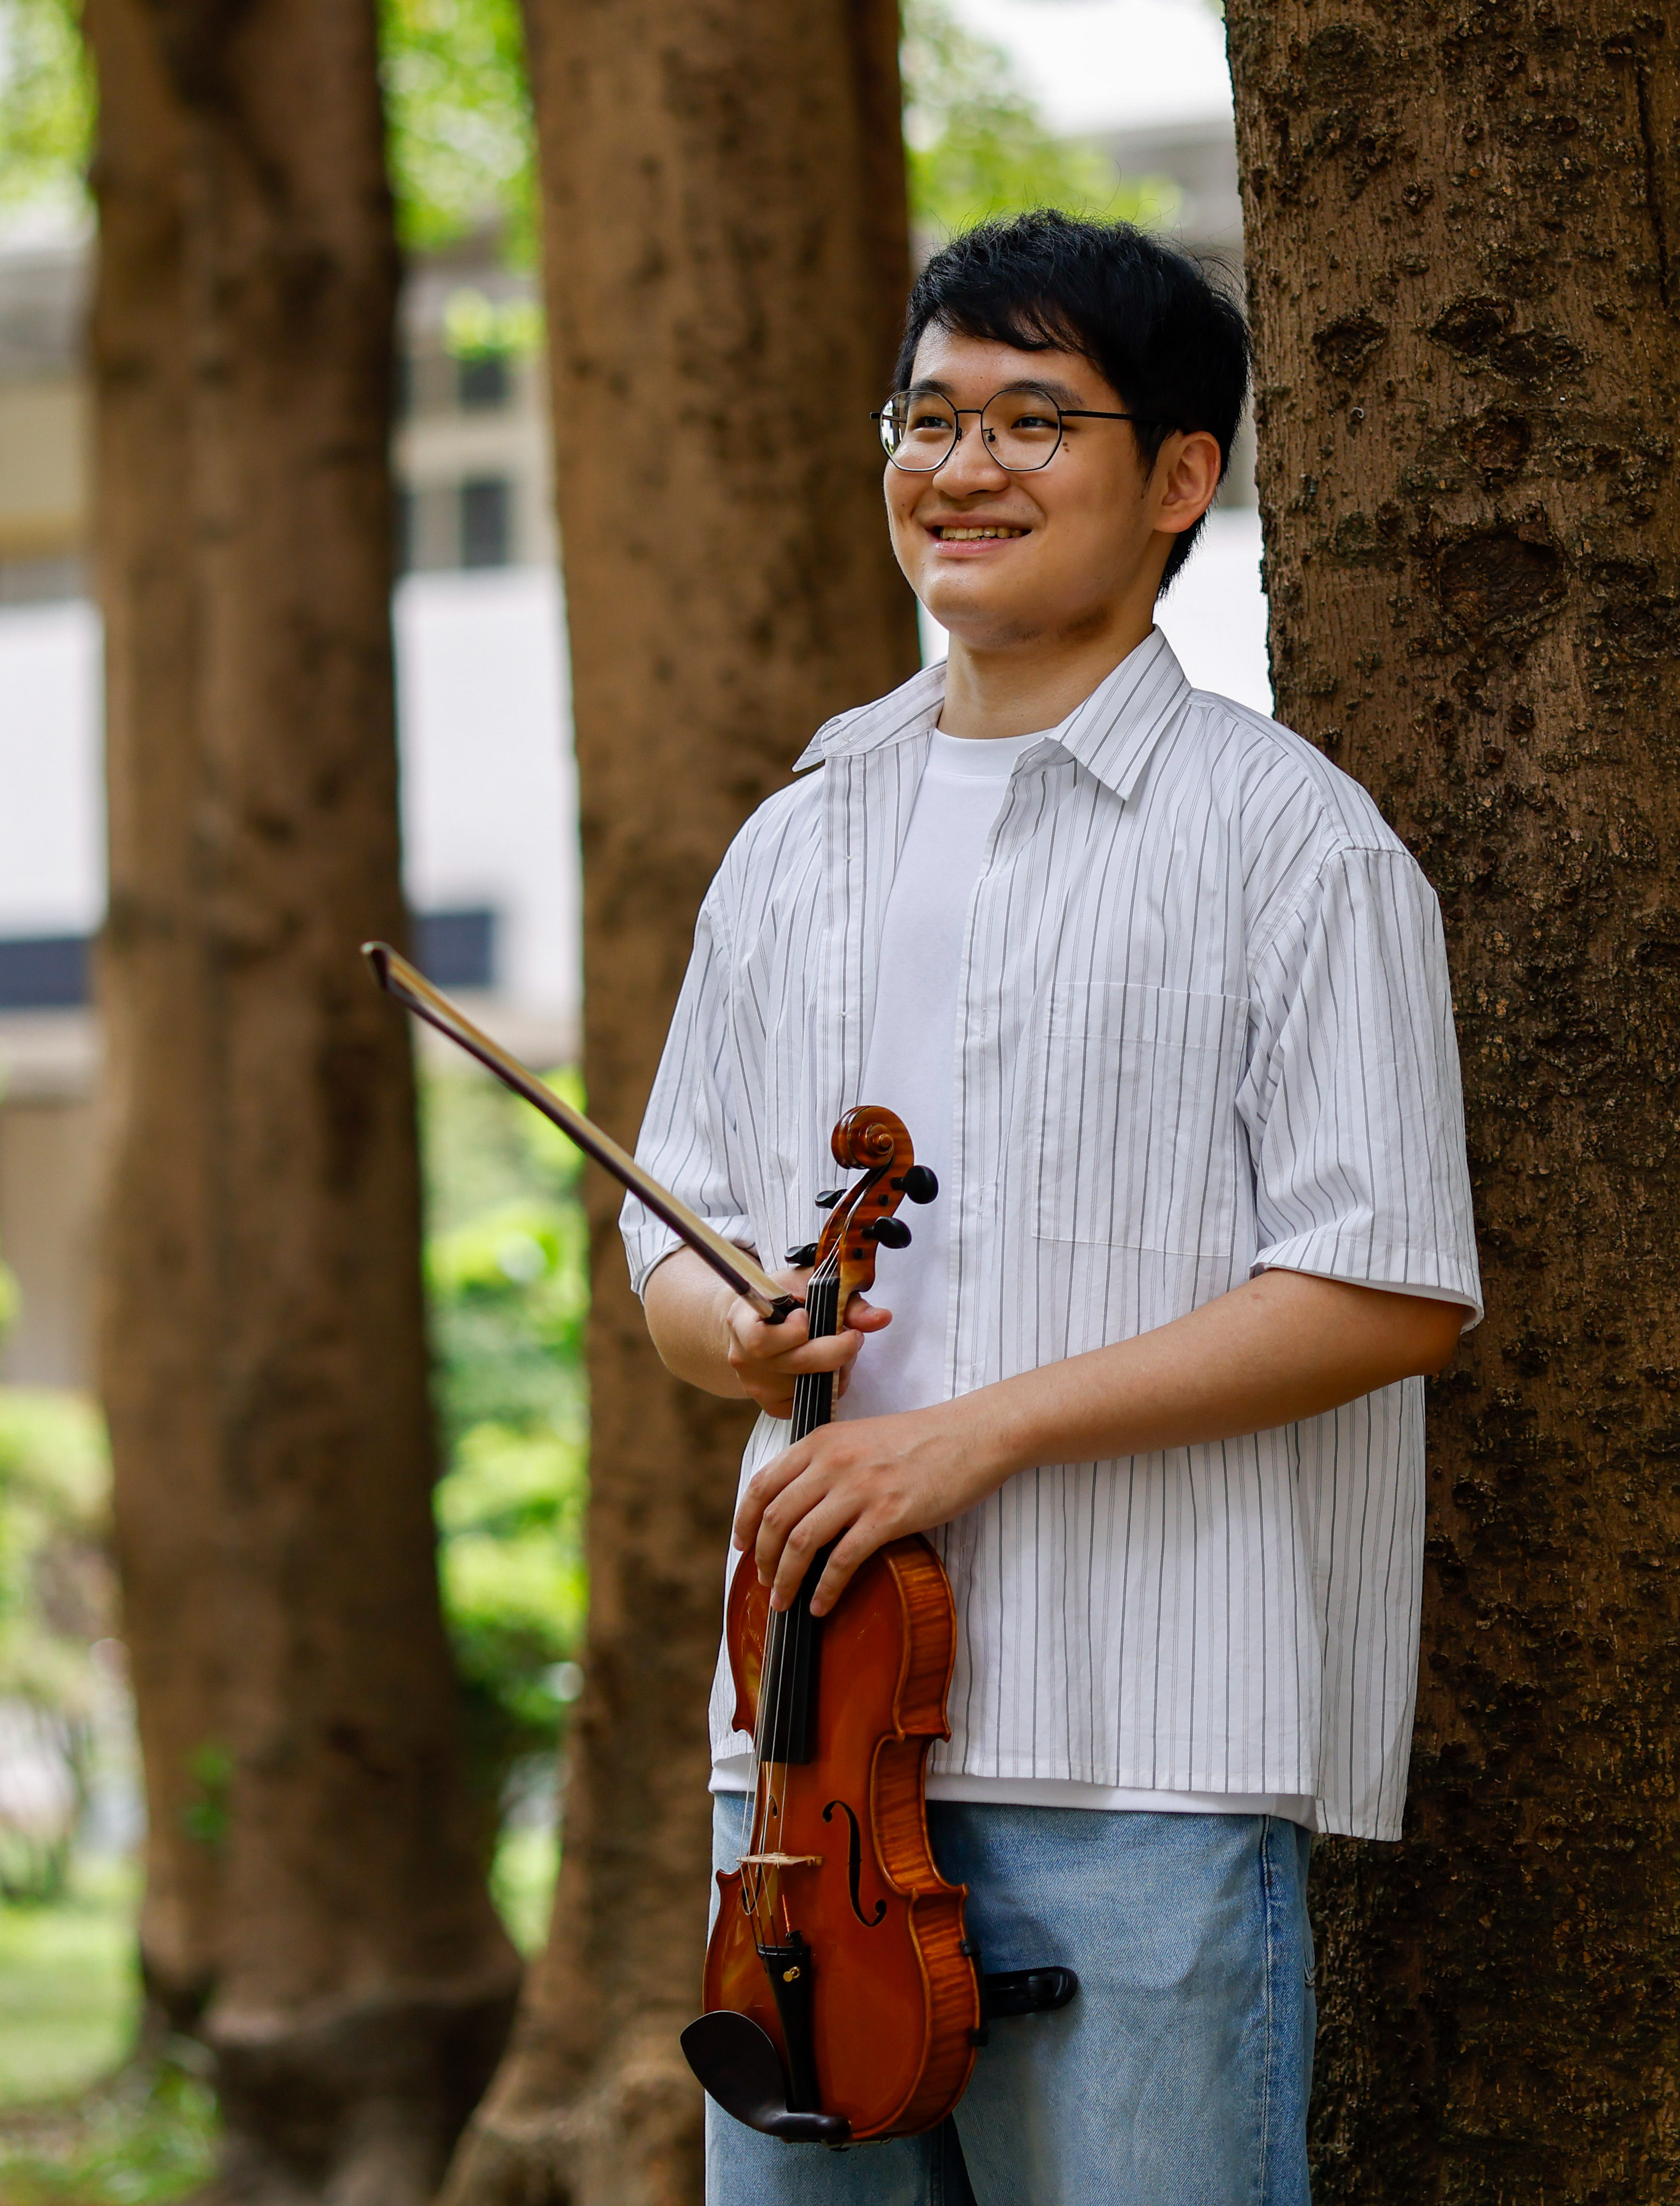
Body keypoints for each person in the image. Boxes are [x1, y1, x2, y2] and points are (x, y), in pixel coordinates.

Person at [627, 210, 1481, 2206]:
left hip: (1141, 1744)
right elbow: (670, 1245)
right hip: (807, 1769)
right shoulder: (793, 838)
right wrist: (732, 1324)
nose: (958, 465)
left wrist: (973, 1433)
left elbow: (1382, 1288)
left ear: (1178, 480)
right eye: (924, 418)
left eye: (1032, 421)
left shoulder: (1287, 840)